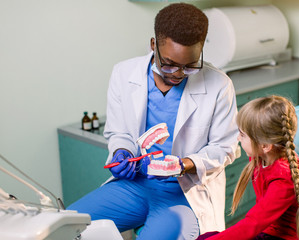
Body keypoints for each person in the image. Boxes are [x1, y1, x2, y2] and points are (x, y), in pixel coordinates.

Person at [67, 3, 239, 240]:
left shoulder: (219, 85)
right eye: (168, 63)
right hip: (134, 185)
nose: (177, 74)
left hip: (184, 194)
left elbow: (225, 148)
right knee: (65, 227)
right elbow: (119, 132)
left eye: (189, 66)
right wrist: (121, 152)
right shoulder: (123, 74)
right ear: (153, 45)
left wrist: (184, 164)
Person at [197, 95, 299, 240]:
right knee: (206, 237)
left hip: (294, 236)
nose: (238, 139)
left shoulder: (283, 179)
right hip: (271, 229)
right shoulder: (262, 156)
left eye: (242, 135)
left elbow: (253, 223)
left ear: (265, 146)